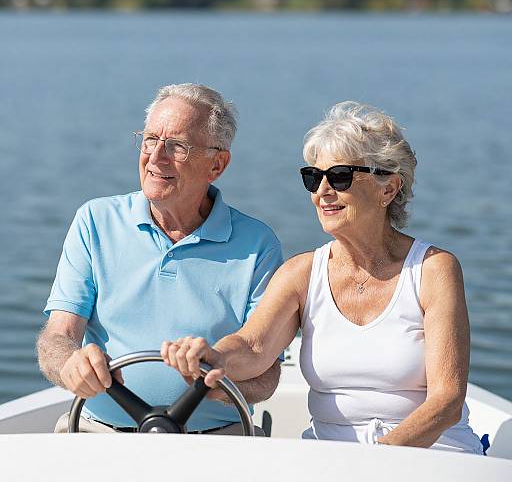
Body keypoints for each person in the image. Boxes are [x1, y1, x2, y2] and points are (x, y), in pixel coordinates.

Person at [162, 101, 483, 453]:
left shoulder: (434, 269)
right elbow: (253, 346)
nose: (322, 192)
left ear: (388, 189)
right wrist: (213, 356)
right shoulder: (300, 273)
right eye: (313, 177)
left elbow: (447, 402)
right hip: (330, 457)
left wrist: (378, 459)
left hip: (430, 453)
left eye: (340, 176)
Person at [37, 83, 283, 435]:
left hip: (217, 446)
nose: (155, 157)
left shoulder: (258, 245)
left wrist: (215, 383)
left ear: (217, 164)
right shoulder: (95, 221)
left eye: (177, 146)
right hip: (98, 435)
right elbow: (57, 337)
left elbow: (267, 376)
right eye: (150, 139)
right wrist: (70, 364)